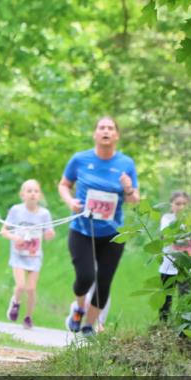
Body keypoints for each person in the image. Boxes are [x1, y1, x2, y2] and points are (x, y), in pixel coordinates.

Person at [58, 116, 140, 338]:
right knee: (85, 277)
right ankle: (78, 308)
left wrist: (129, 188)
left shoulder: (126, 164)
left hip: (113, 234)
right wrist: (71, 202)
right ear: (95, 134)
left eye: (110, 128)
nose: (106, 131)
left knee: (104, 282)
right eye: (102, 128)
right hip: (82, 230)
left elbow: (135, 200)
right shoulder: (80, 159)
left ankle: (88, 326)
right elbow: (64, 185)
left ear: (116, 135)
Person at [1, 180, 56, 329]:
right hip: (18, 255)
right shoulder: (16, 210)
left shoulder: (44, 214)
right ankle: (16, 303)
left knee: (31, 289)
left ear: (40, 195)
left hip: (34, 256)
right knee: (20, 286)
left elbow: (49, 233)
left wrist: (50, 234)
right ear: (22, 195)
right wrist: (15, 238)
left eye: (36, 191)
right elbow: (4, 230)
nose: (33, 194)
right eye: (29, 191)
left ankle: (28, 317)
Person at [158, 191, 191, 322]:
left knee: (184, 297)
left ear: (188, 205)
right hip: (168, 266)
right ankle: (163, 326)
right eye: (178, 203)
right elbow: (166, 236)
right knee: (165, 299)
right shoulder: (167, 218)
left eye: (184, 204)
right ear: (172, 205)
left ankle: (183, 325)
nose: (181, 207)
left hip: (185, 266)